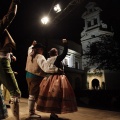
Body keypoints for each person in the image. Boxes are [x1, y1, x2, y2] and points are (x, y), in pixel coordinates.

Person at [36, 39, 78, 120]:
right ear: (56, 53)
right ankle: (53, 114)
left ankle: (53, 113)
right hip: (57, 79)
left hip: (49, 78)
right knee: (57, 96)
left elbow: (46, 68)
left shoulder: (48, 60)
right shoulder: (57, 58)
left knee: (51, 96)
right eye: (56, 51)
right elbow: (65, 53)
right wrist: (65, 44)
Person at [25, 41, 60, 119]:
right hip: (36, 77)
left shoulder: (30, 53)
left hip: (28, 76)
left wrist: (32, 45)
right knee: (33, 96)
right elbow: (46, 68)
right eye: (42, 49)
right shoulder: (40, 57)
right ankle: (31, 113)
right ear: (39, 49)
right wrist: (57, 70)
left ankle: (33, 111)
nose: (42, 51)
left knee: (32, 95)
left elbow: (29, 48)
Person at [0, 0, 21, 119]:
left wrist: (10, 55)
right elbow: (10, 15)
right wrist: (14, 2)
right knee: (16, 93)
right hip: (2, 62)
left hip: (3, 59)